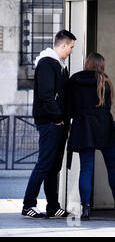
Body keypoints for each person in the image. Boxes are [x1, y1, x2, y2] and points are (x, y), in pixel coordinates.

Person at [67, 52, 115, 221]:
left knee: (86, 168)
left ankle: (85, 207)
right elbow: (107, 106)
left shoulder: (74, 81)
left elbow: (69, 107)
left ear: (87, 63)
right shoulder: (104, 80)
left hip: (83, 126)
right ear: (101, 65)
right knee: (112, 165)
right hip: (103, 126)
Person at [22, 29, 76, 219]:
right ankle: (28, 205)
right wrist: (58, 117)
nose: (71, 51)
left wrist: (64, 119)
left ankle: (53, 206)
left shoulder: (60, 65)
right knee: (45, 163)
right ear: (63, 45)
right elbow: (46, 95)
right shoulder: (47, 63)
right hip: (50, 122)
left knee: (54, 166)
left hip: (58, 122)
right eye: (70, 47)